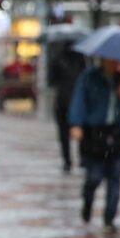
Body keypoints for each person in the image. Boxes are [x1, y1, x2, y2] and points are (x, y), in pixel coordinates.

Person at [68, 57, 120, 232]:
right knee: (94, 177)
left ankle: (109, 218)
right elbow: (78, 102)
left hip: (117, 135)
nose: (112, 62)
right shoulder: (88, 77)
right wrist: (76, 124)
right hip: (94, 135)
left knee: (114, 178)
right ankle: (88, 201)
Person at [47, 42, 87, 173]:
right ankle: (82, 159)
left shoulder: (57, 58)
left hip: (62, 100)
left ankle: (67, 161)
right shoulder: (81, 59)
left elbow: (51, 81)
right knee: (81, 129)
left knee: (64, 133)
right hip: (78, 100)